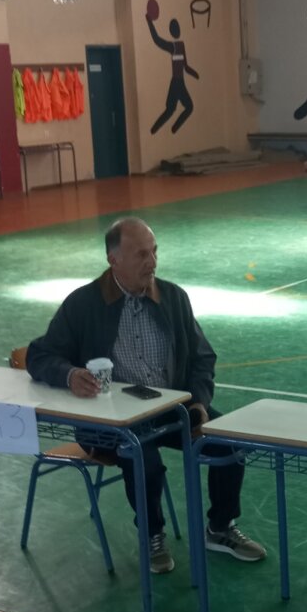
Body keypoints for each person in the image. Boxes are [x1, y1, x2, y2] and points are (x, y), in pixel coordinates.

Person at [26, 217, 266, 574]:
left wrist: (199, 401)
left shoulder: (173, 298)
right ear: (113, 259)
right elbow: (39, 355)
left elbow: (202, 358)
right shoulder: (83, 304)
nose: (152, 262)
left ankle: (220, 528)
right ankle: (152, 534)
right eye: (141, 254)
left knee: (230, 442)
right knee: (144, 459)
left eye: (154, 252)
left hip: (171, 409)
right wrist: (70, 374)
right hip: (110, 420)